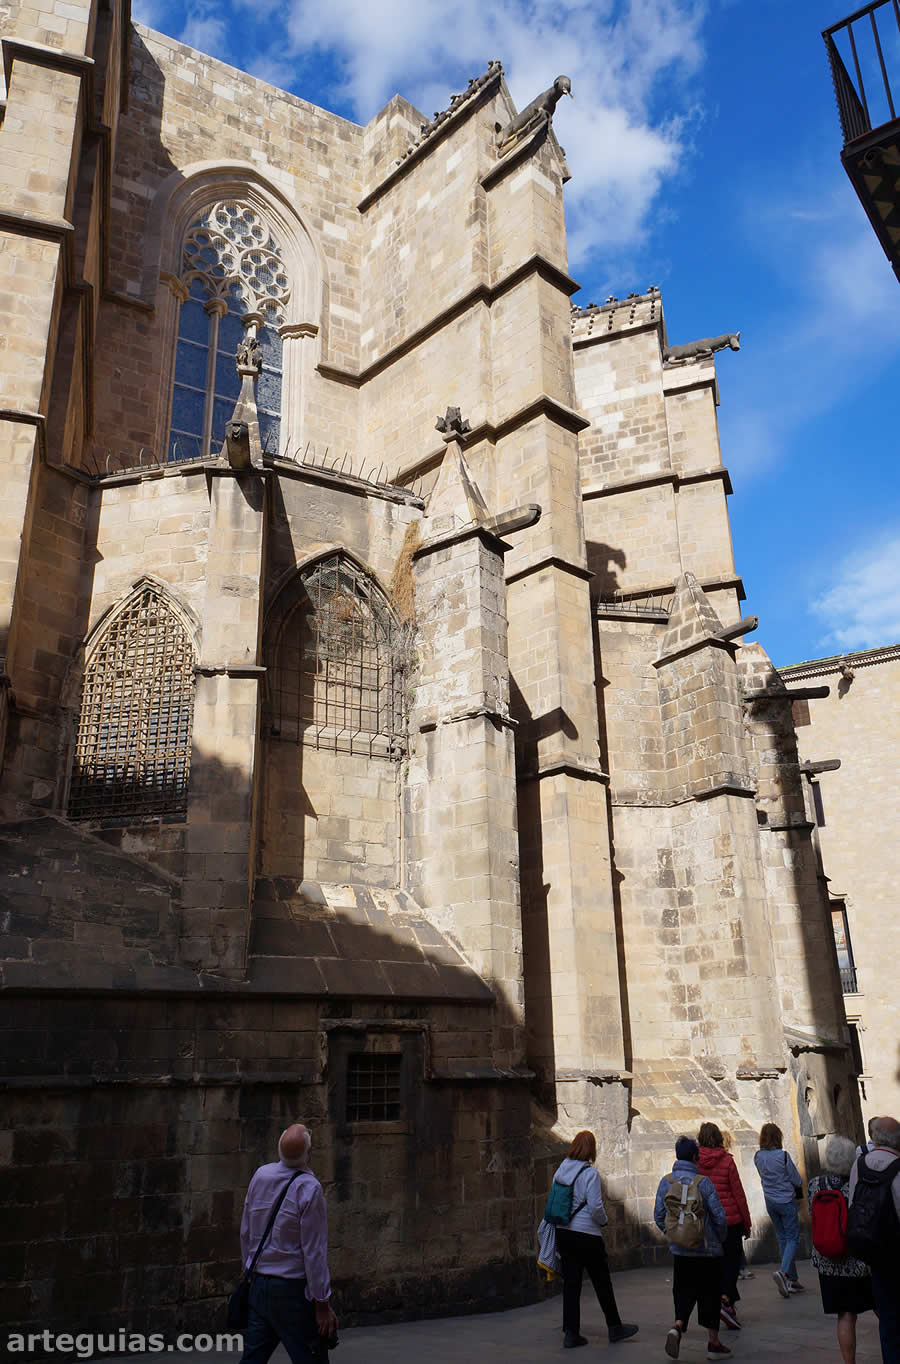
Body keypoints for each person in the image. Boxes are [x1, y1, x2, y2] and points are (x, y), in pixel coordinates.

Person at [239, 1124, 338, 1364]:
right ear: (309, 1153)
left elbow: (246, 1231)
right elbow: (313, 1251)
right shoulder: (309, 1188)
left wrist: (248, 1271)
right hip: (292, 1291)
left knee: (253, 1359)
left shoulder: (260, 1176)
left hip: (259, 1284)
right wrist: (321, 1303)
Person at [551, 1130, 639, 1348]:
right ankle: (615, 1327)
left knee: (571, 1284)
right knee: (601, 1281)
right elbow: (595, 1206)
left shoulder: (561, 1169)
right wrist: (603, 1221)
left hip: (564, 1232)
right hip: (586, 1234)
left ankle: (571, 1333)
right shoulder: (590, 1174)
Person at [654, 1135, 731, 1360]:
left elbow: (658, 1215)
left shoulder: (666, 1182)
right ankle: (713, 1344)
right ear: (696, 1157)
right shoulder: (703, 1183)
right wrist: (719, 1239)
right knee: (710, 1294)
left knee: (683, 1290)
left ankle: (677, 1326)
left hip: (681, 1250)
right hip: (707, 1251)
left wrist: (674, 1235)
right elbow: (719, 1216)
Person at [808, 1134, 874, 1364]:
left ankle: (849, 1362)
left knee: (845, 1316)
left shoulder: (815, 1185)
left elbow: (813, 1216)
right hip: (856, 1261)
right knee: (883, 1308)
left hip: (827, 1262)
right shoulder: (857, 1185)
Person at [848, 1114, 900, 1364]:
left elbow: (853, 1205)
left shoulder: (859, 1164)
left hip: (874, 1252)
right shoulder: (898, 1166)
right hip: (896, 1249)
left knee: (888, 1318)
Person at [697, 1121, 751, 1330]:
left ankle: (727, 1304)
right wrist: (746, 1222)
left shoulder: (696, 1163)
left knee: (716, 1265)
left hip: (708, 1221)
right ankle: (726, 1300)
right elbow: (738, 1194)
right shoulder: (727, 1161)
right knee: (732, 1262)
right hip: (730, 1220)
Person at [754, 1122, 804, 1297]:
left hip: (770, 1200)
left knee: (783, 1238)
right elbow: (797, 1180)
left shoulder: (758, 1156)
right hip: (786, 1200)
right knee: (793, 1238)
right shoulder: (782, 1156)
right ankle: (783, 1273)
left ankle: (792, 1279)